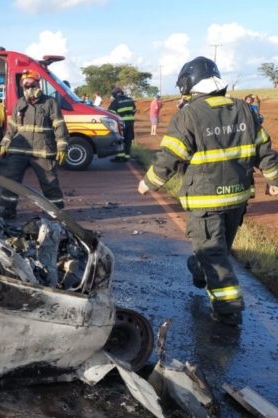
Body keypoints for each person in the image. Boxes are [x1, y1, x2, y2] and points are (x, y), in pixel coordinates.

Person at [138, 56, 278, 326]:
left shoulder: (188, 115)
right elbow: (265, 150)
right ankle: (199, 267)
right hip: (237, 198)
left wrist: (149, 183)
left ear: (189, 85)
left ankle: (228, 308)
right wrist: (274, 180)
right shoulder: (245, 110)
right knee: (217, 249)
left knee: (213, 254)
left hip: (206, 200)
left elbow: (171, 157)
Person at [0, 69, 68, 218]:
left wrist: (62, 147)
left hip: (42, 150)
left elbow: (59, 126)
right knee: (11, 181)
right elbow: (12, 127)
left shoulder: (50, 102)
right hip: (18, 150)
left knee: (50, 183)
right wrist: (4, 143)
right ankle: (7, 210)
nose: (28, 88)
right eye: (25, 86)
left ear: (38, 85)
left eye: (31, 85)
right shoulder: (20, 103)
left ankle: (56, 212)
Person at [108, 87, 137, 161]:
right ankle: (127, 156)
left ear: (115, 94)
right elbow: (134, 110)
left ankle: (119, 156)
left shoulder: (115, 101)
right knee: (128, 139)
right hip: (130, 122)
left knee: (119, 139)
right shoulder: (130, 99)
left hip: (120, 123)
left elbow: (110, 113)